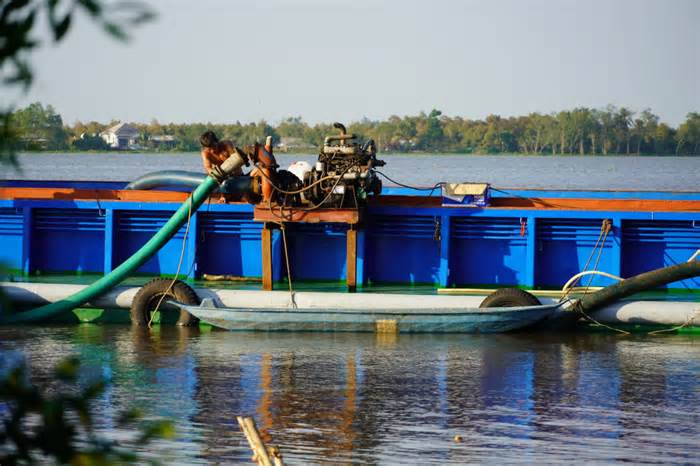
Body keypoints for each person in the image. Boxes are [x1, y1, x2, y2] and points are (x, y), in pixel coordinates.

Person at [199, 130, 244, 202]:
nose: (212, 151)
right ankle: (223, 196)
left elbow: (236, 159)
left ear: (217, 141)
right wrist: (215, 173)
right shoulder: (206, 153)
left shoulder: (226, 145)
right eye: (209, 149)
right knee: (216, 174)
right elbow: (208, 168)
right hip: (222, 179)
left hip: (238, 176)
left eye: (213, 146)